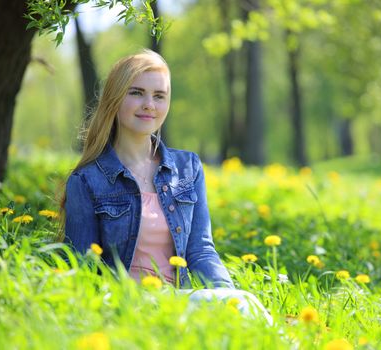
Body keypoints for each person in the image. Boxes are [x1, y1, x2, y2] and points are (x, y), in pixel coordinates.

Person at [62, 49, 272, 324]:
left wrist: (229, 296)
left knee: (244, 305)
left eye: (159, 96)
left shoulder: (188, 168)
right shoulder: (88, 180)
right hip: (127, 308)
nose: (149, 104)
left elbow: (200, 250)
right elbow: (82, 267)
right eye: (136, 92)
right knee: (245, 307)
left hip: (181, 305)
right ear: (115, 99)